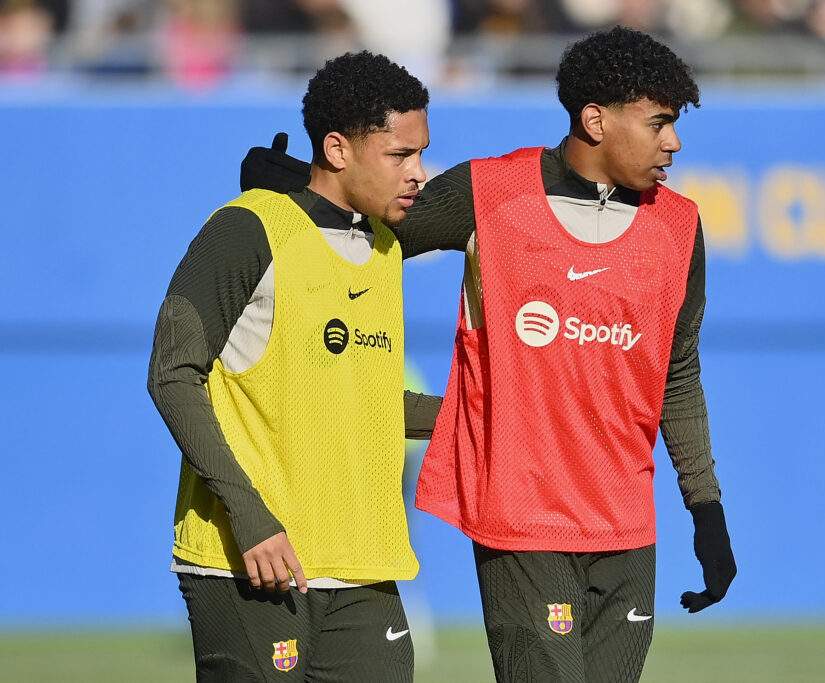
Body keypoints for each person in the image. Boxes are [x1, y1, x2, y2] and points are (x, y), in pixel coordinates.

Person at [242, 26, 737, 682]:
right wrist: (301, 195)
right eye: (659, 123)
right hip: (521, 518)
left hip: (627, 529)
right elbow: (368, 227)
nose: (673, 141)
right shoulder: (491, 194)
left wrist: (706, 509)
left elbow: (677, 372)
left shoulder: (679, 226)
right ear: (595, 119)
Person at [148, 51, 439, 682]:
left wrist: (490, 414)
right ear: (337, 149)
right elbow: (172, 373)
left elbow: (369, 402)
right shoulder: (244, 229)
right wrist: (250, 518)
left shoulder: (385, 247)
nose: (419, 173)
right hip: (250, 560)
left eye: (420, 153)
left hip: (362, 561)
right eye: (400, 155)